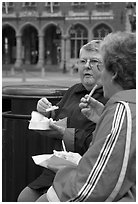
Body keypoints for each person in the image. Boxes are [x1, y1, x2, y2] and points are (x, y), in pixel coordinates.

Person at [35, 31, 136, 202]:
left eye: (100, 65)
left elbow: (93, 186)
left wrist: (56, 187)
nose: (91, 68)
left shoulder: (123, 111)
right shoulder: (120, 107)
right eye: (83, 61)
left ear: (114, 73)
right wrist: (102, 118)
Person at [17, 40, 107, 202]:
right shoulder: (73, 91)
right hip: (57, 167)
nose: (87, 66)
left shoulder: (108, 97)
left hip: (85, 171)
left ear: (106, 66)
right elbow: (57, 117)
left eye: (94, 61)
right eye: (82, 61)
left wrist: (63, 133)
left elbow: (102, 141)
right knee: (25, 197)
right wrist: (44, 112)